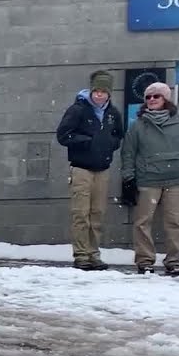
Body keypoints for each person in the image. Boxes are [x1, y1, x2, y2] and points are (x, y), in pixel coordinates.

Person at [119, 82, 179, 276]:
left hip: (176, 179)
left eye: (156, 96)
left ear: (165, 99)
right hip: (147, 180)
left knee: (175, 222)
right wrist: (128, 179)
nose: (151, 100)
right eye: (148, 97)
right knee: (143, 222)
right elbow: (128, 154)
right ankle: (145, 260)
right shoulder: (138, 126)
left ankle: (174, 261)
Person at [56, 70, 124, 270]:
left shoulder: (113, 113)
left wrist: (109, 144)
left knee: (98, 214)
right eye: (96, 90)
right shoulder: (77, 110)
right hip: (81, 168)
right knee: (81, 214)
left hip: (102, 169)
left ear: (109, 93)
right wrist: (88, 142)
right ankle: (81, 255)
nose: (99, 94)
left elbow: (118, 135)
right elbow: (63, 135)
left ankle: (94, 254)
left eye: (104, 91)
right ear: (92, 91)